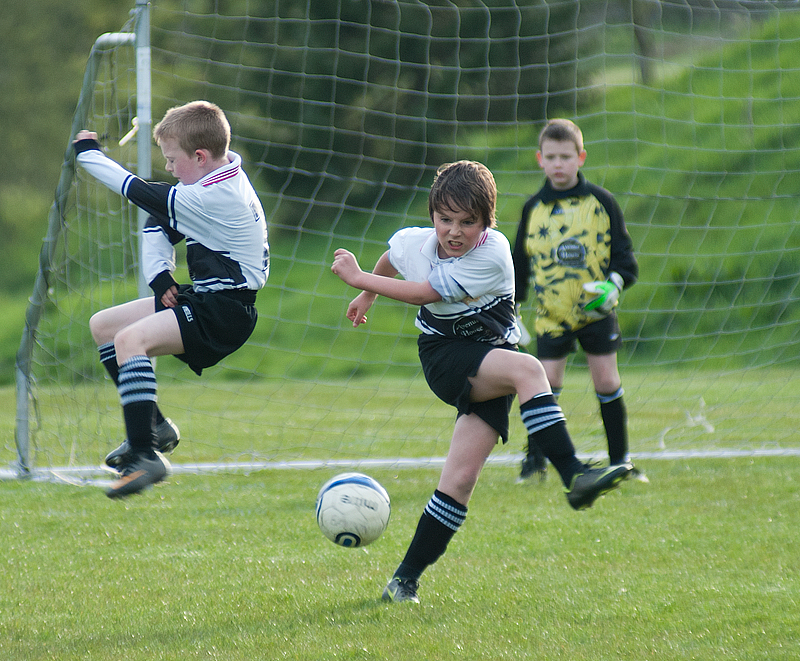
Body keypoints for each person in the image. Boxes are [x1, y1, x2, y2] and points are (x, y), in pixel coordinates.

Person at [331, 160, 632, 604]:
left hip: (489, 361)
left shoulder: (493, 252)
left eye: (467, 222)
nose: (454, 232)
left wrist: (360, 278)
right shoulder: (416, 241)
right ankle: (574, 476)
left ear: (487, 223)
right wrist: (366, 292)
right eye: (445, 219)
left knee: (459, 481)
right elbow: (394, 257)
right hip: (445, 356)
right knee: (530, 370)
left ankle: (403, 581)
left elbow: (426, 293)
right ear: (432, 214)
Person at [73, 100, 269, 498]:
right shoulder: (216, 178)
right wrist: (160, 274)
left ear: (200, 156)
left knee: (130, 341)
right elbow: (157, 221)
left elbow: (134, 190)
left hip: (224, 312)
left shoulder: (217, 196)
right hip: (208, 300)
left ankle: (145, 456)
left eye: (172, 158)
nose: (168, 167)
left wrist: (88, 154)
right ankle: (155, 428)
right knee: (105, 327)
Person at [512, 118, 644, 483]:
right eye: (551, 157)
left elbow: (625, 258)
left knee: (606, 381)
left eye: (566, 157)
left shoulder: (601, 202)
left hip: (596, 314)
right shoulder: (533, 208)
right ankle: (535, 461)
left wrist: (614, 285)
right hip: (551, 315)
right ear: (540, 159)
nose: (559, 164)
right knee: (544, 385)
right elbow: (519, 264)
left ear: (580, 157)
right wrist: (513, 308)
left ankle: (621, 461)